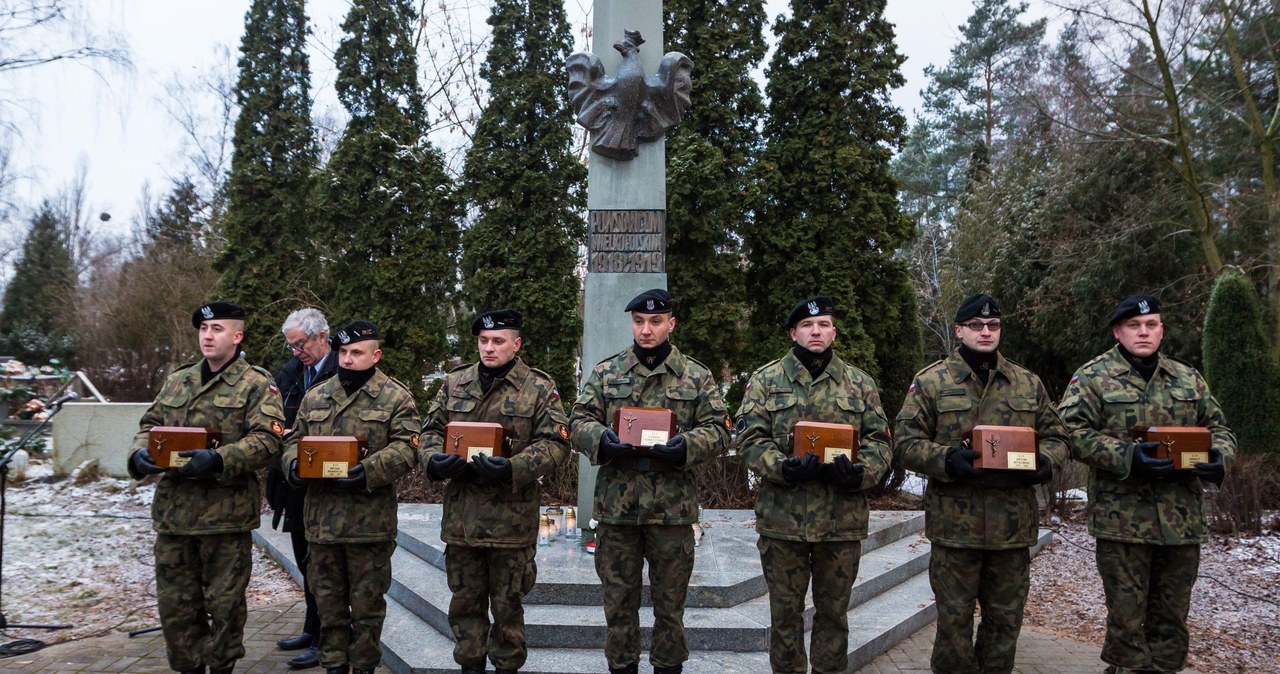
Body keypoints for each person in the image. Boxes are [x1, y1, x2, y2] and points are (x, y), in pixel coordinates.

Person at [894, 294, 1069, 674]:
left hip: (1011, 527)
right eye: (977, 325)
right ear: (959, 331)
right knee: (954, 625)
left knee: (1005, 624)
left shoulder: (1027, 382)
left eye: (993, 325)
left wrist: (1044, 463)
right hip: (956, 528)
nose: (986, 331)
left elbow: (1059, 437)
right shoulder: (932, 381)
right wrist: (946, 460)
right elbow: (904, 442)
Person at [1059, 294, 1234, 674]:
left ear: (1161, 330)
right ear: (1118, 331)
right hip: (1123, 522)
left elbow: (1218, 427)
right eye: (1134, 326)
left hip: (1180, 521)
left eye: (1151, 325)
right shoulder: (1092, 377)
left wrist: (1219, 457)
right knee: (1126, 622)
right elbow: (1070, 432)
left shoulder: (1187, 377)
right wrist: (1127, 456)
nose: (1144, 332)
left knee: (1172, 622)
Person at [569, 288, 731, 674]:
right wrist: (601, 440)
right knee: (618, 607)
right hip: (619, 509)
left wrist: (686, 446)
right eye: (639, 321)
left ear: (671, 323)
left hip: (671, 512)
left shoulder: (695, 375)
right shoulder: (608, 372)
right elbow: (577, 421)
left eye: (655, 321)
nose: (646, 329)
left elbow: (721, 429)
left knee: (670, 610)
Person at [735, 295, 893, 674]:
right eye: (807, 325)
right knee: (785, 617)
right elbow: (748, 438)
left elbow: (881, 443)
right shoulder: (766, 380)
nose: (816, 331)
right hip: (783, 522)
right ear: (794, 332)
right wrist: (782, 467)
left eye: (823, 324)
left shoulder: (859, 384)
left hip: (840, 522)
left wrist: (861, 473)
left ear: (834, 332)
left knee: (834, 616)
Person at [126, 301, 286, 674]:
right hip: (175, 517)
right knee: (176, 606)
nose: (208, 336)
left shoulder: (257, 383)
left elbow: (268, 440)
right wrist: (138, 455)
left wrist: (219, 459)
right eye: (203, 329)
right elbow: (149, 424)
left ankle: (221, 667)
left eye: (217, 329)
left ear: (237, 335)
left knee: (225, 606)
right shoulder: (179, 379)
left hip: (224, 518)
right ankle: (189, 667)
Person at [420, 309, 570, 674]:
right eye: (484, 341)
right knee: (465, 606)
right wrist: (433, 461)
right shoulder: (454, 383)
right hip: (463, 521)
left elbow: (556, 443)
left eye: (498, 341)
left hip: (510, 523)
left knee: (507, 611)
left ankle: (506, 667)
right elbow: (427, 432)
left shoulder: (537, 387)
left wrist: (514, 467)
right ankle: (470, 666)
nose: (489, 348)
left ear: (516, 345)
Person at [280, 321, 421, 674]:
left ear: (375, 355)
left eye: (356, 352)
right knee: (328, 611)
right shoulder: (317, 395)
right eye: (342, 352)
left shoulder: (395, 396)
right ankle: (333, 668)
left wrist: (370, 470)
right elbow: (290, 442)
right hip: (322, 526)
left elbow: (409, 447)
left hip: (367, 528)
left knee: (367, 613)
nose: (347, 359)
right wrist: (294, 465)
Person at [268, 307, 338, 670]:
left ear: (322, 336)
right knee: (305, 560)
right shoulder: (290, 374)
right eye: (292, 345)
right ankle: (312, 627)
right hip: (295, 483)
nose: (297, 352)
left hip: (330, 486)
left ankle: (329, 636)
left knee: (325, 568)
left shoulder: (343, 370)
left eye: (301, 344)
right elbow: (276, 423)